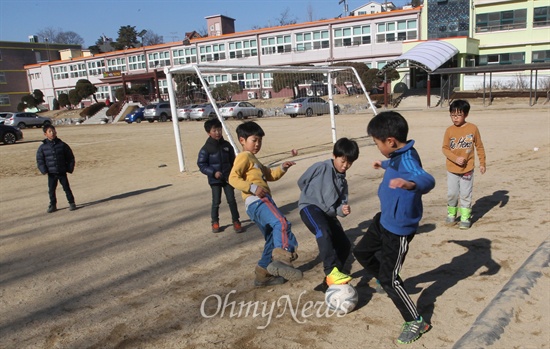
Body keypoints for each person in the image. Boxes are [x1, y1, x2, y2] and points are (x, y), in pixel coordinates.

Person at [353, 111, 435, 344]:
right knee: (361, 252)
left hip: (398, 229)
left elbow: (427, 179)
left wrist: (410, 184)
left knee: (391, 280)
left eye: (376, 143)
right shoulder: (400, 154)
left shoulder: (409, 160)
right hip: (384, 219)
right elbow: (397, 161)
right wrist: (384, 163)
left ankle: (416, 321)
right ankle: (384, 278)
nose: (376, 147)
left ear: (390, 141)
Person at [229, 121, 302, 287]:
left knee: (271, 238)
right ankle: (282, 260)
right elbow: (232, 178)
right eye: (254, 140)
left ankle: (263, 274)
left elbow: (270, 175)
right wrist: (253, 188)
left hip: (257, 203)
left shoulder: (254, 160)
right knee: (281, 223)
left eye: (259, 141)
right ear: (242, 140)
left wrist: (283, 167)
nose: (257, 144)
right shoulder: (244, 156)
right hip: (258, 201)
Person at [297, 137, 359, 290]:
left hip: (328, 214)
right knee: (323, 231)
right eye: (343, 161)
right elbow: (302, 181)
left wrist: (342, 211)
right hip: (310, 207)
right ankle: (330, 271)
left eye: (349, 163)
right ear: (334, 155)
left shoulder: (343, 183)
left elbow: (340, 205)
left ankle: (329, 281)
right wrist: (311, 196)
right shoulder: (321, 167)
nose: (345, 166)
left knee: (344, 245)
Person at [442, 99, 486, 229]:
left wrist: (482, 163)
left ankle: (465, 217)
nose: (455, 118)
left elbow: (479, 146)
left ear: (466, 114)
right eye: (452, 115)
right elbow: (444, 148)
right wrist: (455, 158)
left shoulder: (473, 128)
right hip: (452, 169)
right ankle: (452, 214)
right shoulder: (449, 130)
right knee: (452, 193)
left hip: (467, 169)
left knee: (466, 193)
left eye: (458, 115)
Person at [197, 118, 242, 233]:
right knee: (216, 201)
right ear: (208, 133)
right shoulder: (206, 149)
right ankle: (215, 222)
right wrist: (213, 172)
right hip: (215, 180)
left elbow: (233, 162)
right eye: (214, 130)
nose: (217, 133)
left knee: (231, 200)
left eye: (219, 130)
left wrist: (234, 173)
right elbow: (201, 164)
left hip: (228, 179)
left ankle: (236, 221)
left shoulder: (227, 146)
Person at [36, 124, 77, 213]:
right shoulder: (42, 147)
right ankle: (53, 204)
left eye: (53, 131)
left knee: (66, 188)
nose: (52, 133)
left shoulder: (62, 145)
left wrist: (69, 168)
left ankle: (71, 202)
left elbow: (70, 157)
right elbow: (40, 160)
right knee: (51, 190)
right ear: (45, 134)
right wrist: (44, 170)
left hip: (61, 171)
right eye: (49, 131)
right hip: (51, 173)